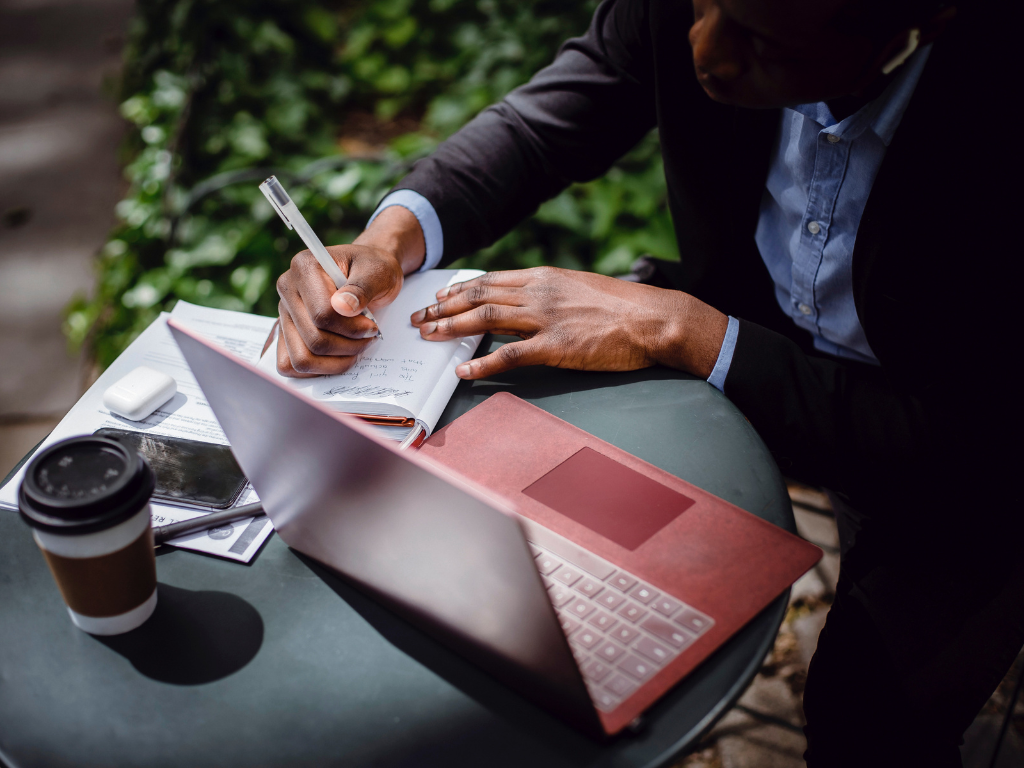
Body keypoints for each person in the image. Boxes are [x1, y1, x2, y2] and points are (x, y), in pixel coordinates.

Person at [273, 1, 1020, 764]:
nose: (705, 53)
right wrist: (391, 238)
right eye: (700, 5)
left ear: (915, 25)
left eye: (760, 40)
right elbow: (567, 105)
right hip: (760, 340)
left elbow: (972, 438)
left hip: (966, 461)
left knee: (868, 715)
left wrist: (686, 331)